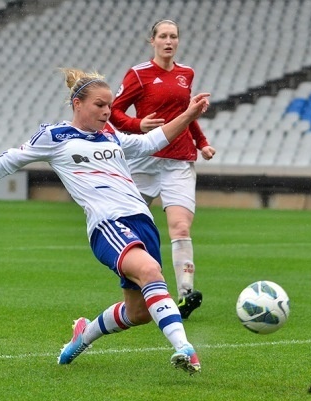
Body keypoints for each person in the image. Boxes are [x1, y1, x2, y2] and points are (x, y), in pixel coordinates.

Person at [0, 69, 210, 375]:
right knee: (150, 270)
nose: (107, 111)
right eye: (100, 105)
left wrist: (188, 114)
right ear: (77, 104)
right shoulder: (55, 136)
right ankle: (185, 349)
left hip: (142, 221)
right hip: (107, 224)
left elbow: (149, 142)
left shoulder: (110, 134)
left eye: (109, 105)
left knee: (139, 312)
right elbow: (9, 159)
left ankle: (83, 335)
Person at [109, 19, 216, 319]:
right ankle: (139, 286)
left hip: (179, 161)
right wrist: (137, 125)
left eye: (173, 36)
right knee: (128, 228)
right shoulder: (139, 74)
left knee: (180, 227)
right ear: (152, 40)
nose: (169, 41)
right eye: (163, 36)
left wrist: (202, 143)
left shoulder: (186, 74)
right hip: (143, 159)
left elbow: (186, 115)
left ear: (178, 41)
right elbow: (114, 111)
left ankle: (184, 295)